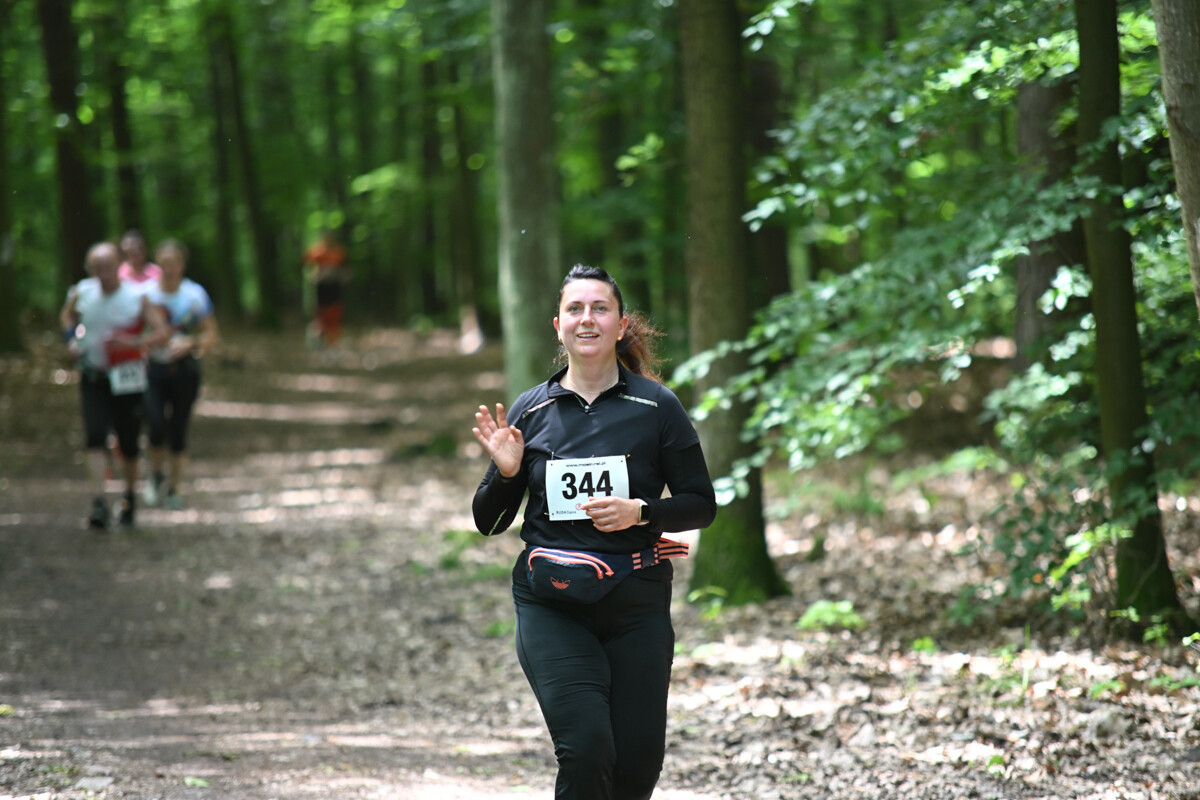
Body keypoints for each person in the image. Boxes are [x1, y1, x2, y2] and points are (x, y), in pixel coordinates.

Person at [471, 265, 717, 800]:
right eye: (576, 310)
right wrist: (508, 473)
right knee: (586, 751)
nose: (588, 319)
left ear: (621, 324)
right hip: (553, 605)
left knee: (635, 769)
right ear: (557, 325)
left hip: (637, 605)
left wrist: (643, 513)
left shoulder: (657, 406)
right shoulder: (531, 410)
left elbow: (702, 505)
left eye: (600, 308)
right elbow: (488, 521)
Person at [61, 241, 168, 529]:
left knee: (129, 441)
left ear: (118, 264)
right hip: (93, 376)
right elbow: (69, 316)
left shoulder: (137, 296)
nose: (103, 273)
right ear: (90, 269)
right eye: (97, 268)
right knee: (95, 436)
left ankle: (129, 496)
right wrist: (72, 337)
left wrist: (134, 342)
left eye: (108, 267)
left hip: (127, 378)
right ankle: (98, 502)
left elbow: (161, 332)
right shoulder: (82, 292)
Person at [142, 239, 219, 510]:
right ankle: (154, 475)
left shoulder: (194, 295)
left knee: (178, 429)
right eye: (164, 263)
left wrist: (191, 343)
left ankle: (174, 488)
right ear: (157, 264)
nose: (170, 268)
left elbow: (212, 334)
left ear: (182, 265)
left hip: (186, 371)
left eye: (174, 263)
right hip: (152, 369)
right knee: (155, 424)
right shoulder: (146, 294)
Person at [302, 229, 348, 348]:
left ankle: (333, 343)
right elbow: (306, 266)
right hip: (321, 288)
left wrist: (341, 276)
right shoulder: (316, 252)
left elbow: (347, 269)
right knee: (321, 316)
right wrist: (314, 276)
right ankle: (319, 343)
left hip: (334, 287)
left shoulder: (339, 253)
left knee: (335, 314)